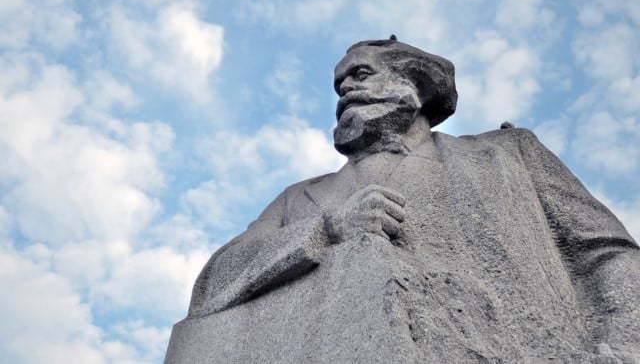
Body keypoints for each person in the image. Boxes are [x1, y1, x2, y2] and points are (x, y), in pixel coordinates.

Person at [169, 37, 640, 363]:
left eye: (360, 74)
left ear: (412, 86)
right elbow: (210, 286)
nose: (345, 90)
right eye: (339, 85)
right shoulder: (302, 198)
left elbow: (608, 255)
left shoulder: (508, 154)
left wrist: (621, 344)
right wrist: (328, 229)